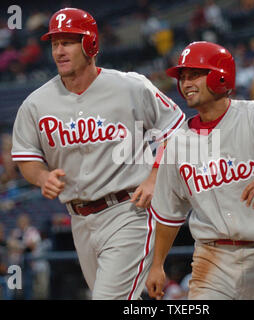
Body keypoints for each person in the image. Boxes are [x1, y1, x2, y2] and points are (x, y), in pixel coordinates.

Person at [11, 8, 184, 300]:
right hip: (79, 220)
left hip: (129, 212)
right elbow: (26, 156)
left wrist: (156, 175)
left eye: (67, 42)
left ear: (90, 44)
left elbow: (176, 129)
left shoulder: (130, 86)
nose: (59, 51)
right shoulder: (36, 104)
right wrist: (41, 177)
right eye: (54, 43)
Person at [145, 41, 254, 300]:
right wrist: (157, 264)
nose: (186, 83)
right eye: (182, 77)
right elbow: (169, 214)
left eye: (195, 75)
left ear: (220, 76)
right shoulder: (176, 143)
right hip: (212, 259)